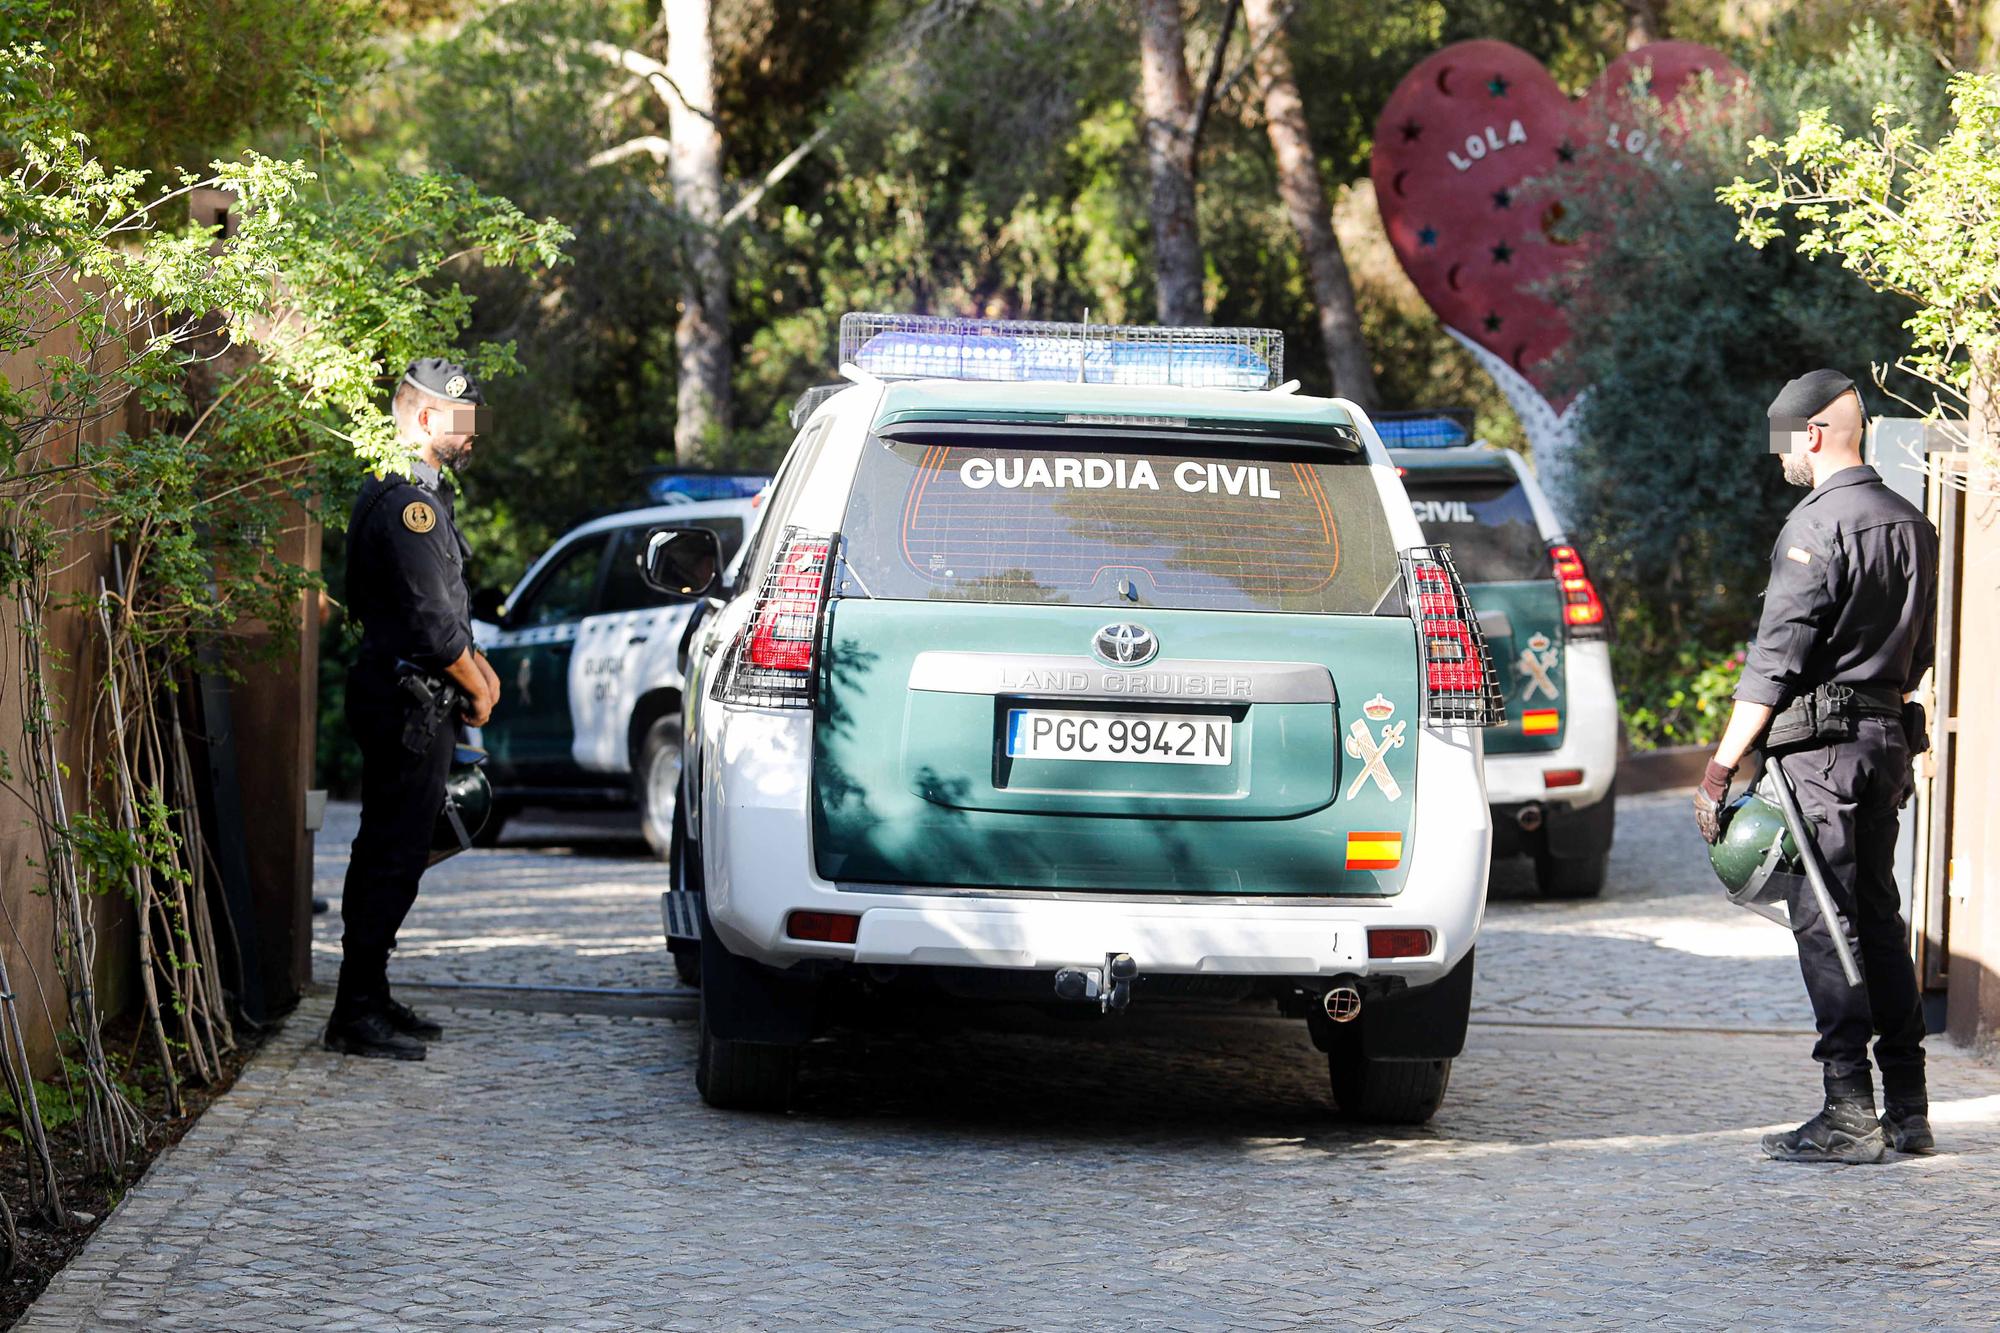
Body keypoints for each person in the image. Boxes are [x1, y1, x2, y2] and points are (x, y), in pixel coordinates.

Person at [1694, 369, 1939, 1163]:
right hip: (1885, 743)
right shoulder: (1912, 523)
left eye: (1785, 445)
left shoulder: (1816, 528)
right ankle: (1909, 1109)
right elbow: (1922, 652)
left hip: (1822, 757)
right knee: (1877, 916)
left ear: (1815, 434)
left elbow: (1774, 660)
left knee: (1826, 924)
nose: (1781, 462)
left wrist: (1722, 765)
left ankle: (1847, 1112)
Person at [326, 358, 502, 1060]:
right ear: (426, 418)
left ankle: (368, 993)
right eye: (464, 421)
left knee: (394, 853)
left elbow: (447, 611)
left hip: (413, 696)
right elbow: (432, 625)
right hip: (406, 700)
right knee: (390, 855)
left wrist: (477, 672)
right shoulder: (408, 503)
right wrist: (481, 686)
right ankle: (354, 1008)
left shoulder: (415, 493)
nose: (473, 435)